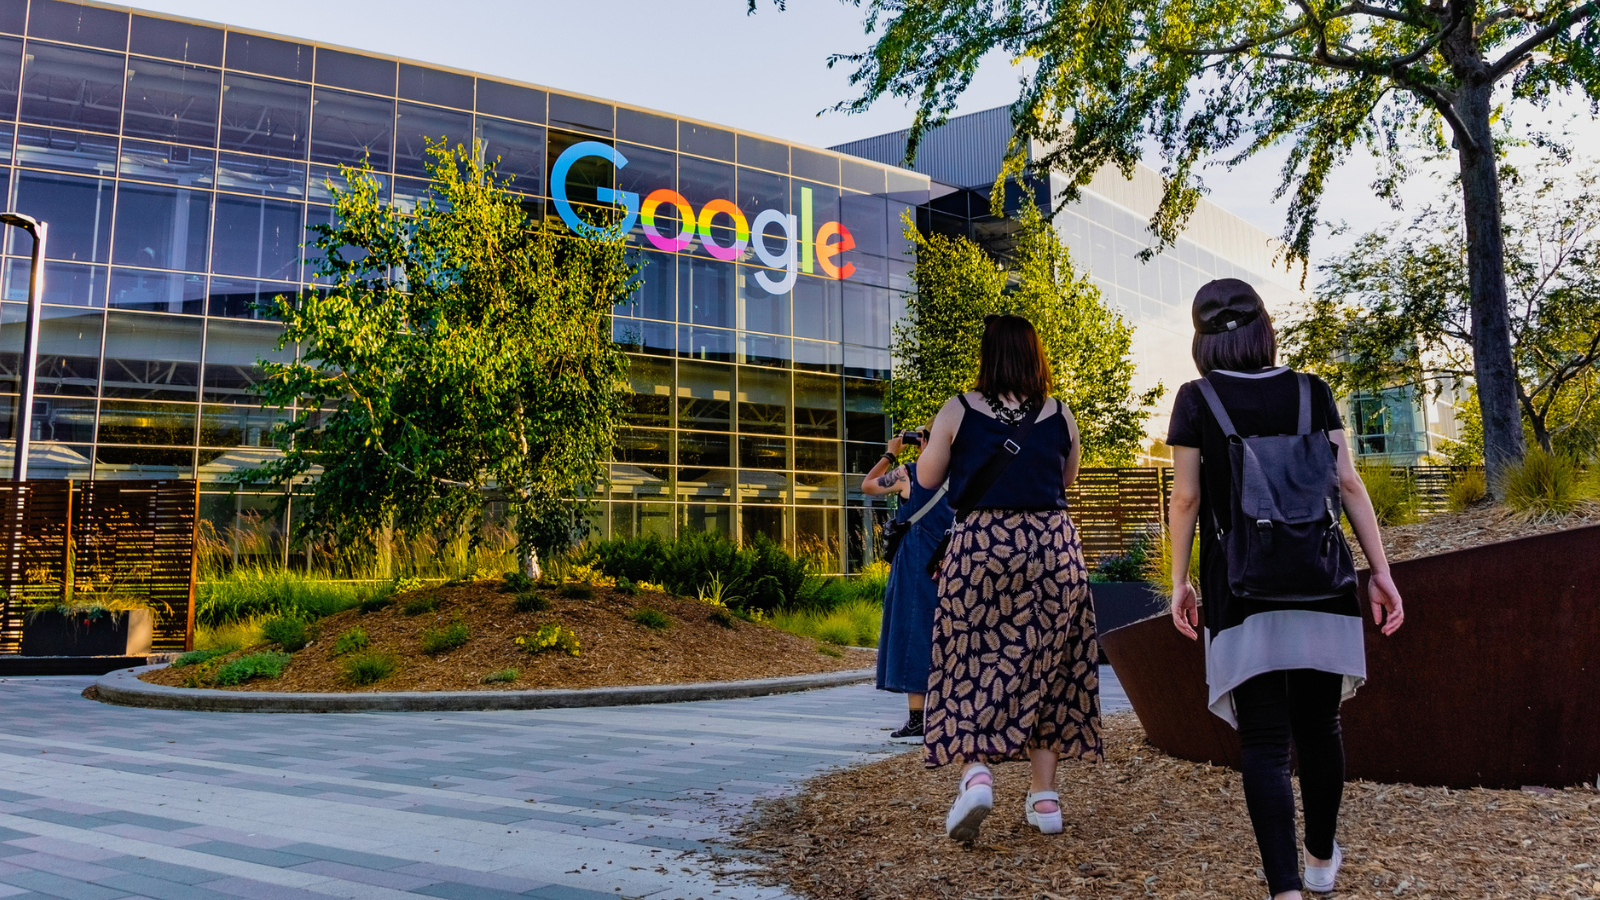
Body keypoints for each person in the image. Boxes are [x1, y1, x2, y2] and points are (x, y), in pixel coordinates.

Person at [1165, 279, 1405, 900]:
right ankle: (1322, 860)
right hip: (1320, 579)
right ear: (1263, 328)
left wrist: (1179, 580)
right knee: (1321, 726)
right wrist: (1380, 572)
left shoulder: (1196, 400)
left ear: (1202, 340)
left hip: (1242, 586)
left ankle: (1286, 889)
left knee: (1265, 741)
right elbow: (1348, 486)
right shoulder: (1312, 391)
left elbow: (1187, 497)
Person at [912, 314, 1101, 842]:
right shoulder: (1062, 413)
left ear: (988, 356)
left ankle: (976, 776)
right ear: (1035, 355)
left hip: (981, 548)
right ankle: (1045, 799)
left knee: (968, 657)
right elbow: (1067, 479)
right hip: (1052, 548)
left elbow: (927, 478)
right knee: (1052, 668)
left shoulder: (957, 408)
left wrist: (938, 443)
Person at [862, 422, 952, 740]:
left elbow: (869, 485)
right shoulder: (960, 475)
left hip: (916, 562)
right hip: (951, 563)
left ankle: (917, 719)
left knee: (916, 634)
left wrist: (891, 452)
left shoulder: (908, 474)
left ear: (923, 440)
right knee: (949, 636)